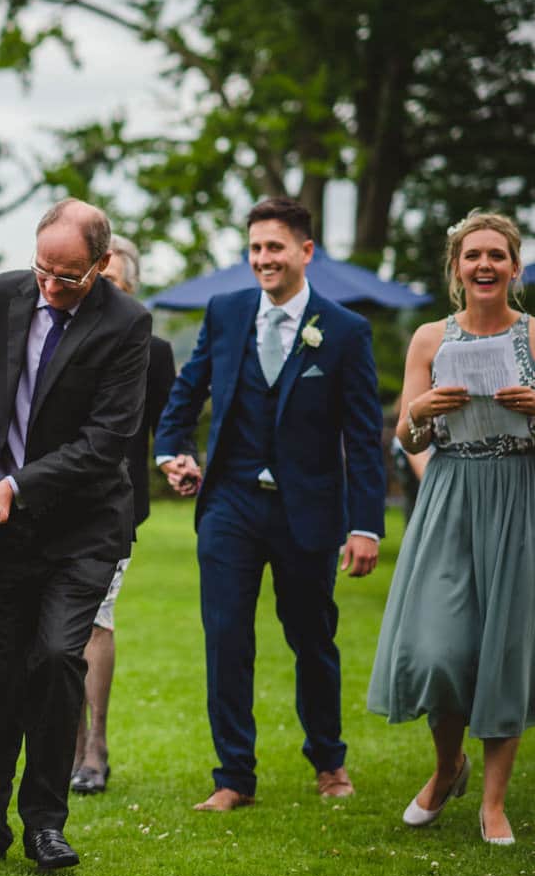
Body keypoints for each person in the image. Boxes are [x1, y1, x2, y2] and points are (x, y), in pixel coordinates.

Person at [0, 199, 150, 872]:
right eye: (43, 269)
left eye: (69, 276)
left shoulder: (127, 323)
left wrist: (16, 488)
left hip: (83, 528)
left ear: (103, 264)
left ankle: (47, 822)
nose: (51, 286)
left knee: (55, 658)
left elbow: (106, 441)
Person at [156, 197, 385, 812]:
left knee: (313, 638)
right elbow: (188, 387)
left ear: (305, 251)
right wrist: (170, 450)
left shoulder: (343, 330)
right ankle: (233, 776)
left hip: (307, 510)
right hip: (229, 501)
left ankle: (329, 761)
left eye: (275, 247)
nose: (264, 259)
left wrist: (365, 524)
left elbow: (364, 438)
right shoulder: (227, 312)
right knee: (226, 638)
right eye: (255, 248)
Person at [369, 210, 535, 846]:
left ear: (514, 267)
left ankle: (494, 804)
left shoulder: (533, 337)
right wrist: (420, 408)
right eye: (473, 256)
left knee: (504, 647)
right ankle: (448, 767)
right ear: (457, 268)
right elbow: (407, 437)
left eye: (497, 255)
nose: (484, 265)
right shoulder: (429, 339)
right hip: (448, 494)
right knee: (438, 649)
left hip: (517, 495)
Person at [70, 235, 176, 796]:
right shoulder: (54, 339)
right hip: (49, 501)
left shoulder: (153, 353)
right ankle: (66, 742)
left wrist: (175, 462)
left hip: (114, 506)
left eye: (109, 286)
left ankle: (94, 748)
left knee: (96, 618)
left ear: (129, 289)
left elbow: (165, 425)